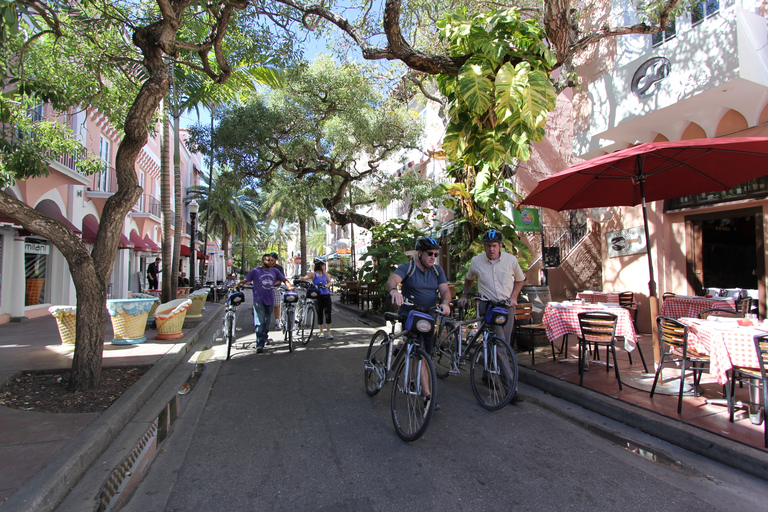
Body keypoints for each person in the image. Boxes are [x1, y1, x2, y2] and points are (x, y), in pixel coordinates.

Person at [457, 229, 526, 403]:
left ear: (500, 246)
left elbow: (520, 279)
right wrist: (464, 295)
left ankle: (488, 374)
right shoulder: (476, 261)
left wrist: (514, 297)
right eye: (488, 246)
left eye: (494, 246)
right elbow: (469, 278)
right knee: (499, 344)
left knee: (503, 342)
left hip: (506, 307)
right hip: (487, 307)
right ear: (484, 246)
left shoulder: (511, 260)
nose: (491, 249)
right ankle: (511, 389)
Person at [386, 237, 452, 413]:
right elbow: (392, 280)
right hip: (411, 314)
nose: (433, 257)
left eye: (436, 255)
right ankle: (427, 396)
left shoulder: (437, 271)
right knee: (421, 351)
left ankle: (406, 357)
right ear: (420, 253)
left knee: (425, 353)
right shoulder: (408, 268)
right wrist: (394, 290)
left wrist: (445, 302)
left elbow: (445, 290)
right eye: (429, 254)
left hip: (430, 314)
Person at [238, 254, 294, 353]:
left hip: (270, 299)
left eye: (272, 260)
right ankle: (259, 343)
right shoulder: (255, 271)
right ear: (263, 260)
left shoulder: (275, 271)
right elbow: (246, 280)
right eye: (268, 260)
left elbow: (284, 279)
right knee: (259, 322)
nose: (271, 261)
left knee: (267, 323)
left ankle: (264, 337)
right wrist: (239, 284)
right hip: (258, 299)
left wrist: (289, 286)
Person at [301, 260, 334, 339]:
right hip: (318, 296)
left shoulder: (324, 273)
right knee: (319, 314)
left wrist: (327, 285)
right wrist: (300, 279)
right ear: (320, 265)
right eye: (323, 265)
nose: (324, 266)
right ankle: (321, 331)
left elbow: (330, 282)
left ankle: (328, 331)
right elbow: (305, 278)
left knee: (328, 313)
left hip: (326, 295)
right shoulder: (313, 274)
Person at [269, 253, 286, 329]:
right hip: (265, 289)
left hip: (276, 288)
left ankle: (277, 321)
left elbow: (282, 279)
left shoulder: (279, 268)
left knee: (276, 305)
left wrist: (274, 283)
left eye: (273, 259)